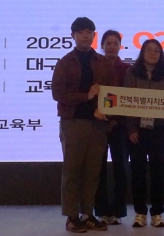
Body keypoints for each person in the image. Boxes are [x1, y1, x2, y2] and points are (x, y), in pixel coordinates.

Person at [51, 17, 114, 233]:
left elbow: (111, 92)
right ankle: (71, 217)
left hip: (97, 125)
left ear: (94, 35)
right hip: (73, 122)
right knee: (72, 171)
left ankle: (88, 214)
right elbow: (58, 93)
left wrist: (104, 110)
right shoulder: (65, 62)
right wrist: (86, 96)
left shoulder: (103, 62)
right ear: (73, 36)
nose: (86, 36)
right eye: (81, 32)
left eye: (89, 32)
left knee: (92, 172)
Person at [124, 39, 164, 228]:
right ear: (142, 52)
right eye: (149, 50)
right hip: (137, 129)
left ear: (161, 54)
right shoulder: (131, 73)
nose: (153, 53)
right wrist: (131, 128)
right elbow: (126, 101)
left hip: (159, 128)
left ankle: (157, 213)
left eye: (156, 50)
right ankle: (140, 213)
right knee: (138, 171)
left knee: (158, 172)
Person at [94, 30, 131, 225]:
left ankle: (118, 211)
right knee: (98, 170)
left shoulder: (127, 69)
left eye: (115, 43)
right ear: (102, 46)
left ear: (120, 46)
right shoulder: (94, 67)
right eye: (107, 43)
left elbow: (130, 97)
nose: (111, 46)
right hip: (98, 125)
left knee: (121, 169)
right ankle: (101, 210)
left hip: (120, 125)